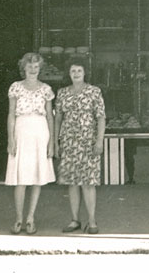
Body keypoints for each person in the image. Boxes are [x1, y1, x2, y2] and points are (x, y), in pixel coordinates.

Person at [54, 55, 106, 234]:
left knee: (88, 182)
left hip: (88, 142)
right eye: (73, 71)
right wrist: (56, 142)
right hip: (69, 142)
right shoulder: (62, 93)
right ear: (69, 73)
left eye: (79, 70)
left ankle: (92, 221)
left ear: (85, 73)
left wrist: (99, 140)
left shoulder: (94, 91)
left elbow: (100, 117)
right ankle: (75, 219)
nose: (76, 73)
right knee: (72, 182)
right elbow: (58, 118)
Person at [6, 52, 55, 234]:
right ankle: (18, 217)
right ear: (23, 68)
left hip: (40, 130)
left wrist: (51, 143)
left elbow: (50, 116)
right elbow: (11, 114)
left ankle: (30, 217)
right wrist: (11, 138)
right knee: (20, 177)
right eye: (30, 66)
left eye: (36, 66)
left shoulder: (46, 89)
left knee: (37, 177)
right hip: (21, 129)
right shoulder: (15, 87)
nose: (33, 69)